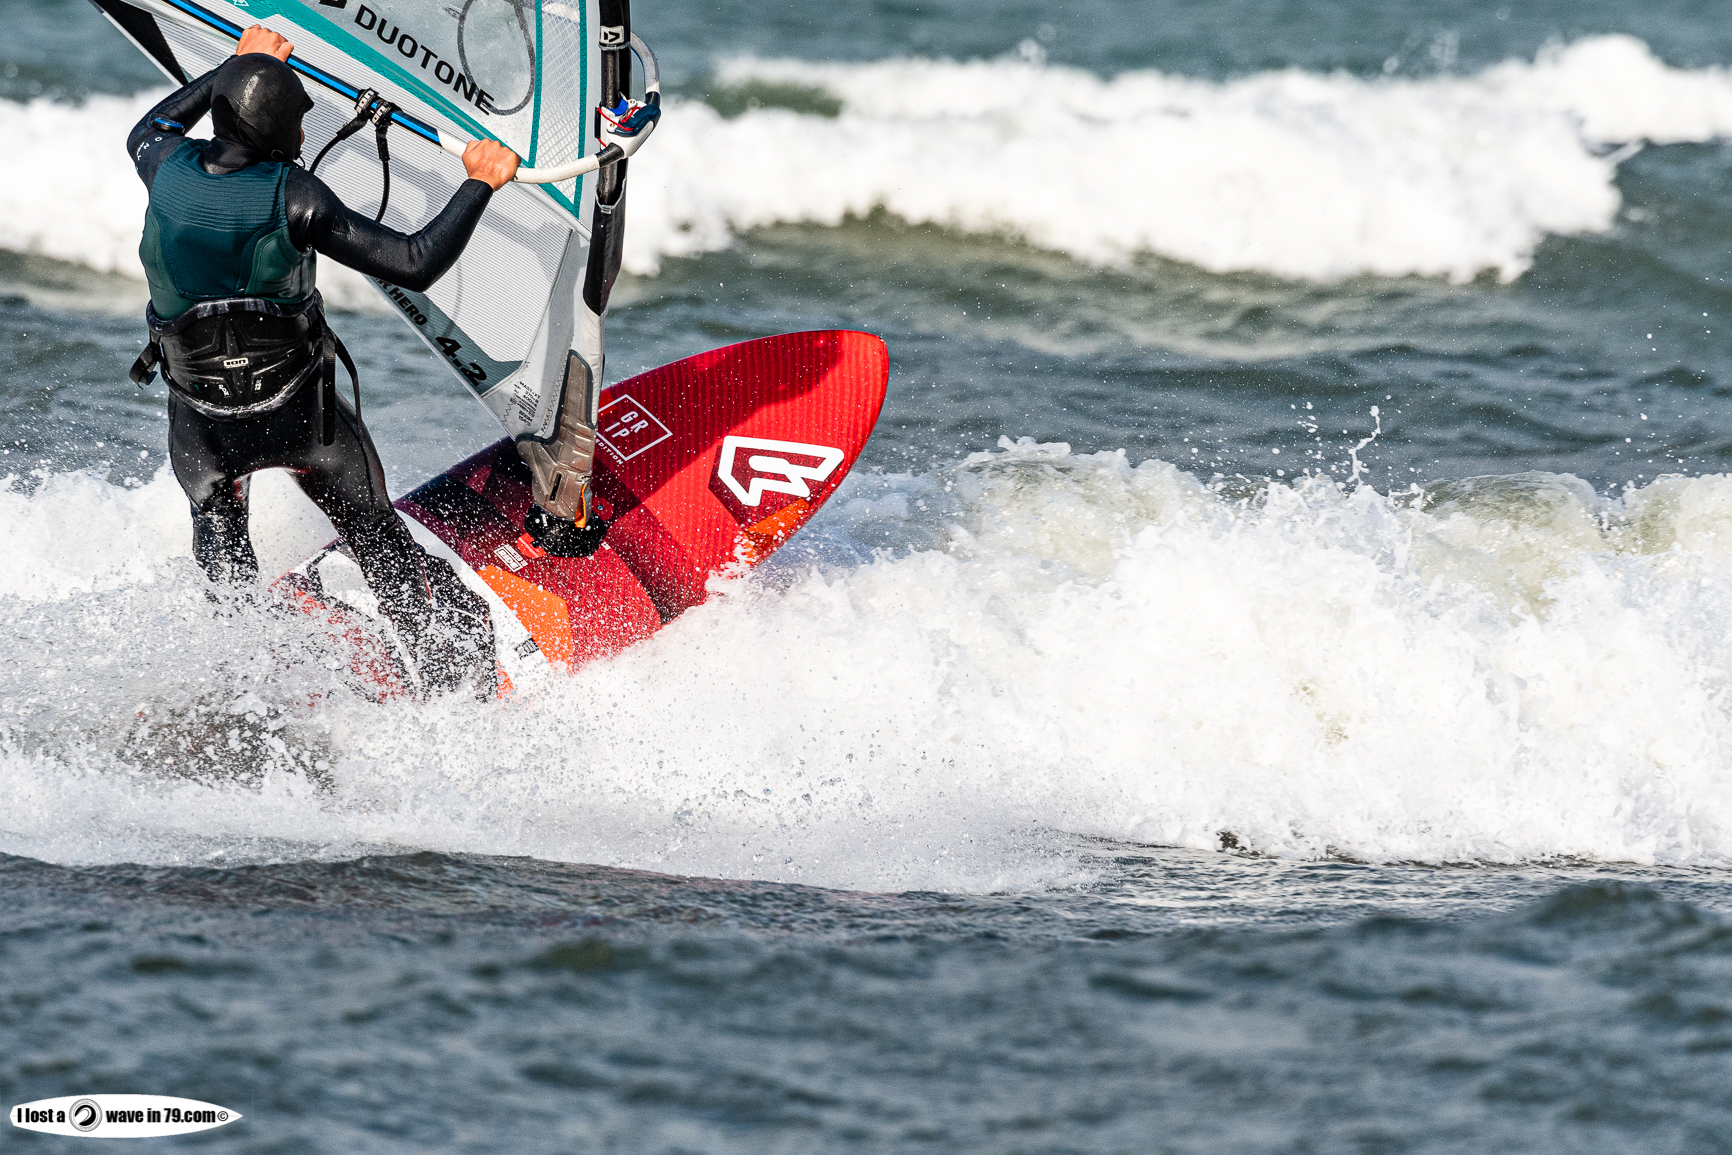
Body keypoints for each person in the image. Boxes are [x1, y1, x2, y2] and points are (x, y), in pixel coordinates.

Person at [127, 25, 520, 697]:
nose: (306, 135)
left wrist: (238, 65)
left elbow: (152, 125)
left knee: (227, 578)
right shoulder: (295, 196)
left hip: (203, 429)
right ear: (281, 132)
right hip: (304, 421)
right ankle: (452, 692)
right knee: (377, 539)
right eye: (299, 124)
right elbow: (414, 261)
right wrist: (479, 183)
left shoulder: (163, 163)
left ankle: (240, 698)